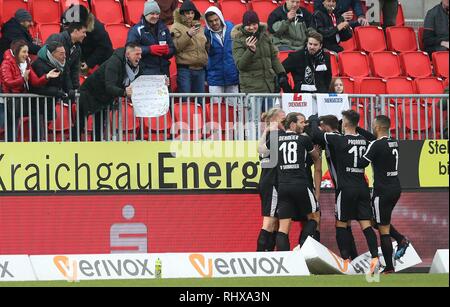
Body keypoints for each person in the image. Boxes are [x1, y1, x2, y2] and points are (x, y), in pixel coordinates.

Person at [310, 110, 380, 273]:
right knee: (365, 224)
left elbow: (315, 133)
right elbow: (373, 138)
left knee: (341, 223)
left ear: (346, 124)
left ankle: (346, 262)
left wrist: (314, 119)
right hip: (362, 187)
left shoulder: (338, 139)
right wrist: (357, 127)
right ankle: (375, 259)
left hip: (345, 188)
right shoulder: (364, 140)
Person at [357, 116, 411, 272]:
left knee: (382, 229)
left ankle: (389, 268)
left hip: (382, 191)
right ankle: (401, 239)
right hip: (395, 188)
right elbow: (375, 141)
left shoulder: (375, 145)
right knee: (377, 222)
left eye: (373, 124)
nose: (372, 127)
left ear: (378, 127)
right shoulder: (394, 141)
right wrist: (360, 130)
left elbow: (362, 163)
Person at [232, 10, 287, 139]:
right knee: (255, 121)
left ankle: (270, 144)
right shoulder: (238, 40)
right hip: (252, 88)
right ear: (243, 25)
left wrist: (281, 72)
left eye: (254, 24)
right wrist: (250, 51)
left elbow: (273, 57)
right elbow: (240, 65)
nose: (252, 27)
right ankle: (254, 145)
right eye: (248, 25)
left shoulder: (265, 36)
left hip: (268, 86)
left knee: (271, 119)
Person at [272, 112, 320, 251]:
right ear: (292, 124)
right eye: (301, 122)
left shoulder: (277, 138)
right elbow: (315, 156)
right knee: (314, 218)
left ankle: (286, 264)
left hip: (283, 185)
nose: (304, 125)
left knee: (283, 227)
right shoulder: (303, 139)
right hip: (300, 184)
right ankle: (302, 247)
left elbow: (262, 151)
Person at [75, 42, 142, 141]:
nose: (140, 57)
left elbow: (144, 79)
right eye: (137, 54)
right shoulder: (114, 62)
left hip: (103, 98)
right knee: (80, 125)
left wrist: (162, 82)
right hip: (89, 93)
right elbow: (110, 86)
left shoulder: (132, 64)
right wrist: (124, 92)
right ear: (128, 54)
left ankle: (96, 149)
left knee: (99, 127)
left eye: (140, 54)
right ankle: (73, 147)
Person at [256, 108, 286, 251]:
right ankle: (259, 257)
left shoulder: (268, 137)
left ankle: (269, 256)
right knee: (268, 222)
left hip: (269, 181)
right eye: (283, 120)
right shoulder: (276, 136)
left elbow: (260, 150)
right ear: (275, 121)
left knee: (275, 223)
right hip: (272, 182)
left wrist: (266, 130)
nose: (285, 122)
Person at [127, 0, 175, 77]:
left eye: (157, 14)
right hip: (145, 72)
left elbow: (172, 48)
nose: (155, 16)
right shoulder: (136, 30)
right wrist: (149, 49)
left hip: (164, 71)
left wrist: (168, 51)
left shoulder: (163, 28)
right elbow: (129, 49)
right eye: (152, 14)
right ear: (145, 14)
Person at [61, 4, 113, 75]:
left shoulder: (97, 28)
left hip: (98, 55)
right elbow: (65, 36)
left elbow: (104, 47)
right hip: (80, 51)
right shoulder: (67, 18)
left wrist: (89, 63)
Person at [171, 0, 208, 95]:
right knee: (185, 101)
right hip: (185, 69)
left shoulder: (199, 27)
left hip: (200, 69)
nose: (190, 15)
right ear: (182, 14)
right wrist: (188, 35)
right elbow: (176, 46)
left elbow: (205, 46)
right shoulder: (175, 27)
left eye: (192, 13)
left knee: (201, 101)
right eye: (187, 13)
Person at [204, 6, 240, 102]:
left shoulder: (231, 28)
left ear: (220, 18)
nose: (214, 23)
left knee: (233, 109)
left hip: (232, 75)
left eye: (216, 20)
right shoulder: (205, 33)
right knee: (216, 111)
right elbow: (203, 57)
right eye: (211, 21)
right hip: (214, 77)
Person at [46, 22, 87, 100]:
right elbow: (46, 62)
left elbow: (74, 71)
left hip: (61, 87)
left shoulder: (77, 49)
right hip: (49, 85)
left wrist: (76, 91)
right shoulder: (57, 39)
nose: (85, 35)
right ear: (75, 31)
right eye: (84, 32)